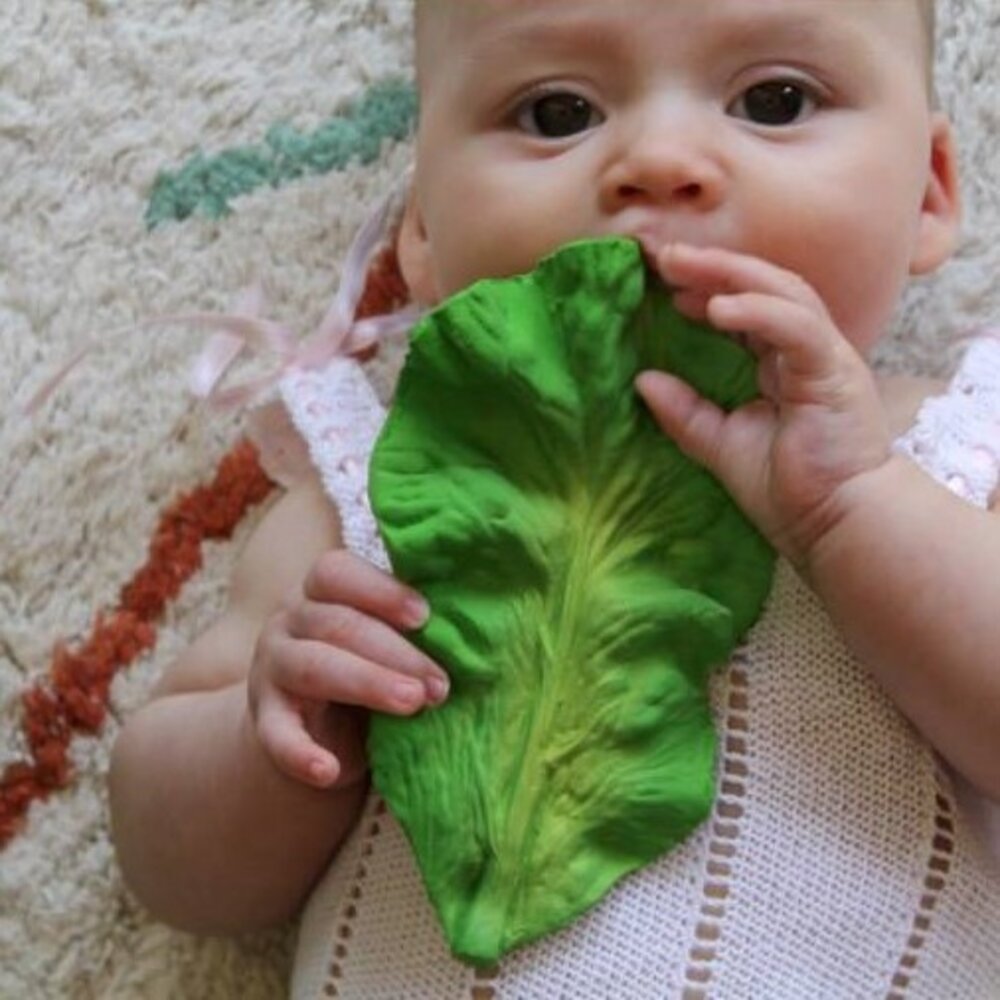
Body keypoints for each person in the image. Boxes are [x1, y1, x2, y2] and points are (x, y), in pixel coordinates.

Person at [109, 0, 1000, 995]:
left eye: (774, 99)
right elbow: (174, 873)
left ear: (925, 195)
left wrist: (854, 509)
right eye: (556, 114)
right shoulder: (372, 488)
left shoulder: (955, 453)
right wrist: (272, 740)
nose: (660, 160)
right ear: (424, 235)